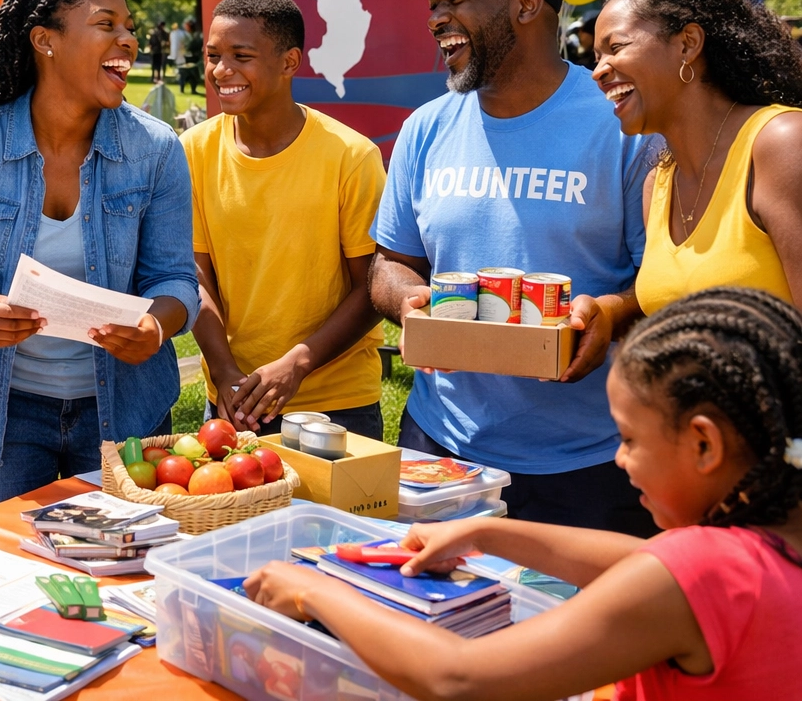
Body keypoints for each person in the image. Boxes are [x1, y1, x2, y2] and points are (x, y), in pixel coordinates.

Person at [244, 286, 802, 701]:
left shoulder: (693, 572)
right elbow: (641, 562)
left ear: (704, 444)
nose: (620, 458)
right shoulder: (768, 544)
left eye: (630, 439)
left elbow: (456, 676)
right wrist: (487, 531)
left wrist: (312, 591)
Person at [370, 0, 659, 534]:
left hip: (587, 464)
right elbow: (391, 264)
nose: (437, 18)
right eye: (434, 5)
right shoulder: (425, 128)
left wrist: (608, 312)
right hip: (440, 450)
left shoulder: (622, 127)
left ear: (528, 4)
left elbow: (663, 280)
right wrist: (408, 301)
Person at [0, 0, 198, 517]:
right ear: (45, 41)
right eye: (107, 24)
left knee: (122, 582)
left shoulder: (157, 149)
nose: (129, 40)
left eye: (130, 27)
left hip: (125, 412)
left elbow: (175, 278)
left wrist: (157, 325)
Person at [185, 0, 386, 439]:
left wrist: (296, 363)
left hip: (338, 407)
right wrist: (223, 371)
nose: (222, 71)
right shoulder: (192, 151)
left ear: (290, 62)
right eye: (213, 55)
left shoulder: (351, 157)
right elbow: (194, 275)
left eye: (241, 55)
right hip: (232, 398)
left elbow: (372, 289)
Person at [591, 0, 802, 313]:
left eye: (616, 46)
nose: (598, 71)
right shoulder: (656, 187)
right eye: (597, 57)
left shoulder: (781, 143)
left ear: (688, 44)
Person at [178, 18, 204, 95]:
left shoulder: (195, 35)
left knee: (193, 76)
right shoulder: (187, 35)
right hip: (186, 58)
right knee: (184, 75)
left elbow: (193, 46)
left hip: (193, 59)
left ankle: (193, 89)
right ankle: (182, 89)